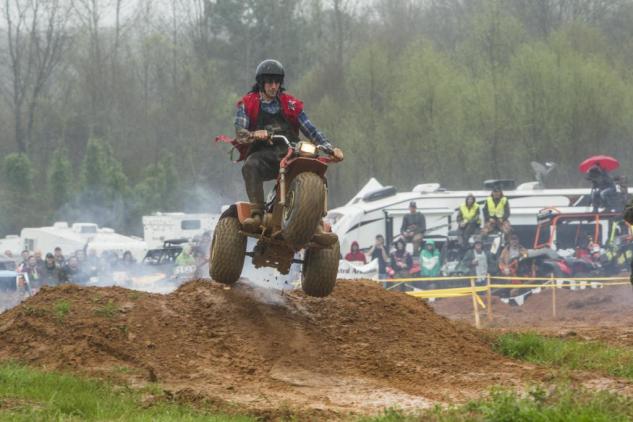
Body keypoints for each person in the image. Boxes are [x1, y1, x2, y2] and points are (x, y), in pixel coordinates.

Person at [234, 59, 344, 237]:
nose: (274, 86)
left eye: (277, 82)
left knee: (316, 168)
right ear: (261, 83)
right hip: (264, 154)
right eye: (270, 82)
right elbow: (240, 132)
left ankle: (315, 224)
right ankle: (257, 214)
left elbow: (310, 129)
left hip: (290, 150)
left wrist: (331, 148)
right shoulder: (248, 103)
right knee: (250, 165)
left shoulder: (290, 103)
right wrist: (254, 134)